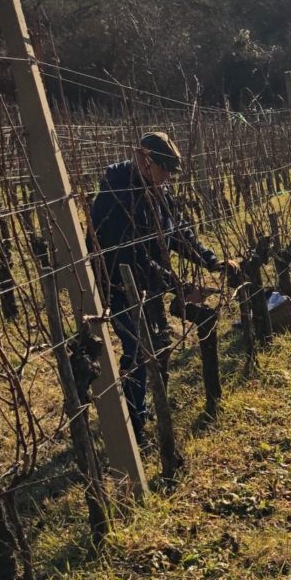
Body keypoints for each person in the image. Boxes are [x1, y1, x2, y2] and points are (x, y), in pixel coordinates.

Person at [89, 131, 237, 443]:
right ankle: (133, 426)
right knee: (138, 348)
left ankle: (142, 404)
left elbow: (179, 232)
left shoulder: (159, 190)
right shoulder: (115, 199)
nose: (168, 177)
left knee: (154, 343)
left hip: (149, 283)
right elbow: (134, 257)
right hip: (119, 285)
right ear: (144, 161)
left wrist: (210, 261)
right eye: (165, 169)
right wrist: (179, 287)